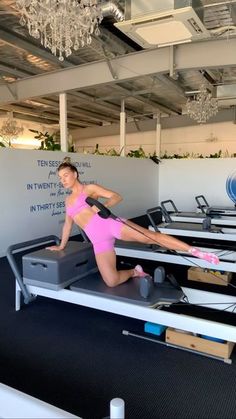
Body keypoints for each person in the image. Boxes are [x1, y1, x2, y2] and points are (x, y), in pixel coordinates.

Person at [47, 159, 219, 287]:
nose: (63, 180)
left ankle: (194, 251)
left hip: (110, 225)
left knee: (150, 237)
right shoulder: (67, 201)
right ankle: (135, 271)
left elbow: (116, 196)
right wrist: (61, 246)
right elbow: (67, 225)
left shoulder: (89, 189)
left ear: (75, 174)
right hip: (98, 241)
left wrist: (103, 206)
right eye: (60, 178)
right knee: (111, 281)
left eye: (66, 175)